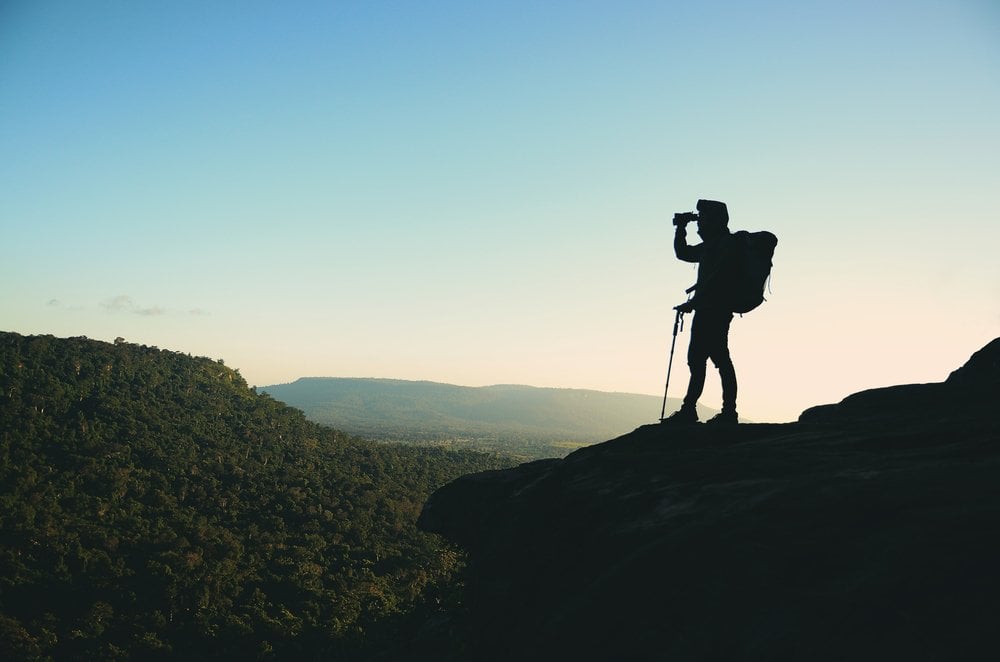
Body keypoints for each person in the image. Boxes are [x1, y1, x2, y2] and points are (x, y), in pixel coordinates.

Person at [663, 199, 739, 425]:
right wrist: (680, 228)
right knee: (707, 359)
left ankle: (717, 412)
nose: (699, 225)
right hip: (709, 310)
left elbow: (716, 281)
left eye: (703, 219)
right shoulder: (715, 245)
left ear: (714, 221)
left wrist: (693, 303)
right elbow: (683, 253)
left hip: (714, 311)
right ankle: (716, 411)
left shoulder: (725, 244)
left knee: (713, 359)